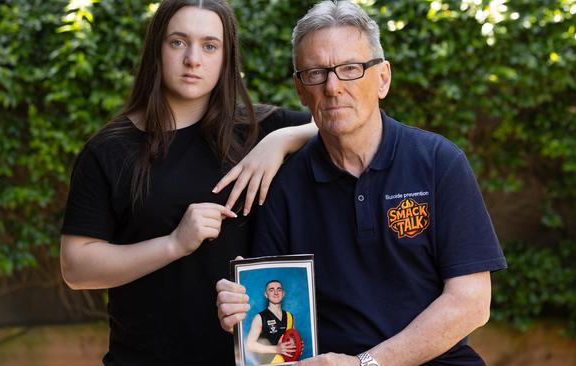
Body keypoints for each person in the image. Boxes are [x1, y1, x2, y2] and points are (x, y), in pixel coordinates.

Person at [216, 1, 507, 365]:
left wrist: (366, 364)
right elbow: (272, 310)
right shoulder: (284, 187)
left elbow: (471, 303)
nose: (333, 87)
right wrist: (242, 310)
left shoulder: (438, 163)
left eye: (350, 68)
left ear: (383, 78)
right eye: (316, 73)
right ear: (300, 90)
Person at [59, 1, 315, 365]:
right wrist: (174, 244)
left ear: (226, 58)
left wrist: (281, 141)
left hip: (250, 359)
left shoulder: (262, 130)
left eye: (210, 46)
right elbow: (76, 267)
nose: (193, 59)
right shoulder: (109, 150)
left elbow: (360, 122)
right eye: (178, 42)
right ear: (156, 50)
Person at [245, 280, 297, 364]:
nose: (276, 292)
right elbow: (249, 345)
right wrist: (276, 349)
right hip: (268, 363)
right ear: (266, 294)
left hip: (287, 363)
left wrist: (297, 346)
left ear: (283, 293)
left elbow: (292, 339)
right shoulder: (259, 317)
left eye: (279, 289)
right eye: (271, 290)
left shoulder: (290, 316)